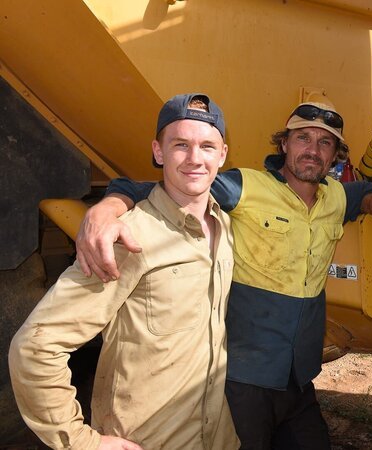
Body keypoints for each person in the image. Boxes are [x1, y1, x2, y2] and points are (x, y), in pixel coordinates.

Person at [76, 95, 372, 449]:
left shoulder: (335, 196)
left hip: (299, 377)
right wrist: (107, 207)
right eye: (303, 138)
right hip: (243, 379)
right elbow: (167, 188)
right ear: (284, 143)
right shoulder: (246, 187)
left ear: (335, 155)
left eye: (325, 143)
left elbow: (364, 193)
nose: (313, 150)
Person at [8, 93, 239, 449]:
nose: (195, 158)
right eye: (180, 145)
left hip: (217, 438)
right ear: (158, 152)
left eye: (207, 146)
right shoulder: (128, 237)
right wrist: (84, 443)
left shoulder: (222, 226)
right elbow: (35, 348)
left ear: (222, 155)